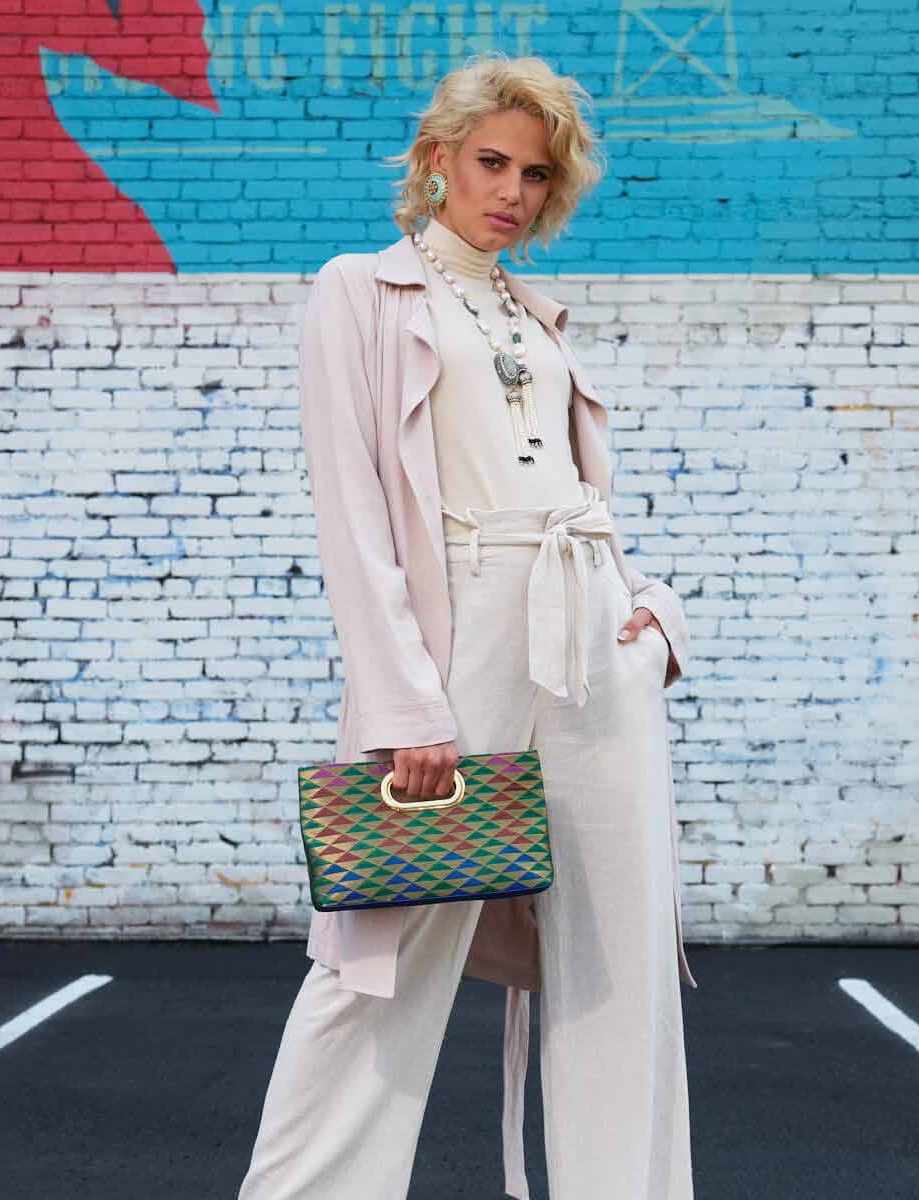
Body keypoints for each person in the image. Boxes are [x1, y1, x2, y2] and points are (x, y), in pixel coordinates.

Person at [237, 50, 697, 1200]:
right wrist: (406, 705)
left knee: (618, 964)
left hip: (593, 642)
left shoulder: (532, 312)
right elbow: (354, 515)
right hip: (463, 643)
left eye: (536, 175)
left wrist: (650, 613)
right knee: (380, 963)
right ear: (437, 160)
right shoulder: (362, 290)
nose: (512, 192)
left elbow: (574, 494)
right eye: (492, 163)